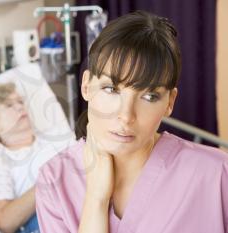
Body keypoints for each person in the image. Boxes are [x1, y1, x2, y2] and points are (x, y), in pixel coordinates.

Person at [35, 10, 228, 233]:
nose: (126, 116)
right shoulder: (55, 181)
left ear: (169, 102)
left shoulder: (217, 175)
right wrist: (96, 199)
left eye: (149, 96)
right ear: (86, 86)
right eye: (111, 89)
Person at [0, 82, 73, 233]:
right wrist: (50, 180)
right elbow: (4, 221)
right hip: (42, 218)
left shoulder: (56, 137)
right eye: (8, 105)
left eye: (20, 101)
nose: (19, 107)